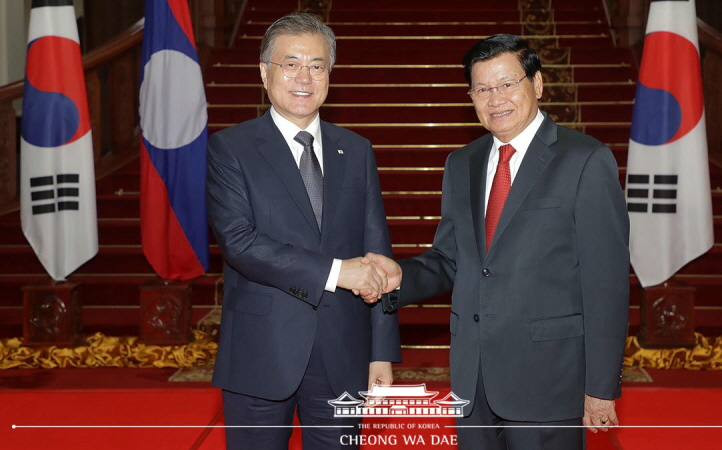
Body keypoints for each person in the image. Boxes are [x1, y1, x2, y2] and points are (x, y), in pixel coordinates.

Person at [363, 34, 630, 450]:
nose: (496, 99)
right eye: (483, 89)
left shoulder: (585, 159)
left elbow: (607, 283)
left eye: (507, 84)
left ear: (537, 84)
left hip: (549, 379)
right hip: (473, 380)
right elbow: (451, 260)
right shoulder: (462, 162)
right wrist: (399, 277)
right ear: (470, 96)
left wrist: (600, 385)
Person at [206, 12, 400, 450]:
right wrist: (336, 272)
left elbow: (378, 255)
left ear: (330, 74)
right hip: (260, 351)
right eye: (290, 63)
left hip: (344, 353)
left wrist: (382, 350)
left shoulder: (357, 149)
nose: (304, 77)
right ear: (264, 72)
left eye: (317, 65)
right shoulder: (229, 148)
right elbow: (240, 243)